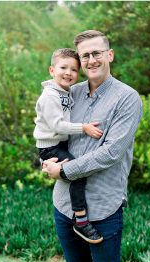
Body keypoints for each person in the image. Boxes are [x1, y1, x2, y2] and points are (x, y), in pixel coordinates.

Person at [42, 30, 142, 262]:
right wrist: (45, 159)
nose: (91, 60)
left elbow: (111, 153)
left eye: (96, 53)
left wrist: (63, 170)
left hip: (103, 208)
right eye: (85, 55)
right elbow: (48, 127)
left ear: (109, 55)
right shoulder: (69, 93)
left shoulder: (127, 98)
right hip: (64, 205)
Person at [33, 48, 104, 244]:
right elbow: (56, 125)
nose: (68, 73)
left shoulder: (64, 91)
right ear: (51, 70)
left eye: (74, 70)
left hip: (59, 143)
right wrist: (84, 128)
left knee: (74, 170)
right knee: (76, 172)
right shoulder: (50, 96)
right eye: (63, 67)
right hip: (51, 146)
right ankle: (80, 219)